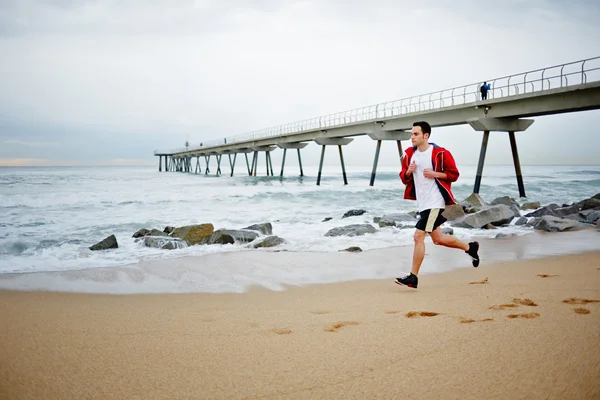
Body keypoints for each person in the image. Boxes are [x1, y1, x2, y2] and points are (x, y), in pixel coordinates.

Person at [395, 121, 480, 289]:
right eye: (411, 134)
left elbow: (454, 175)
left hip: (435, 202)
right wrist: (408, 172)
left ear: (426, 135)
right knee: (438, 239)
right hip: (423, 202)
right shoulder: (409, 155)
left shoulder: (440, 153)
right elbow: (404, 178)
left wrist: (435, 174)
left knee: (418, 237)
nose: (412, 137)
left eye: (416, 134)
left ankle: (413, 277)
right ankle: (470, 247)